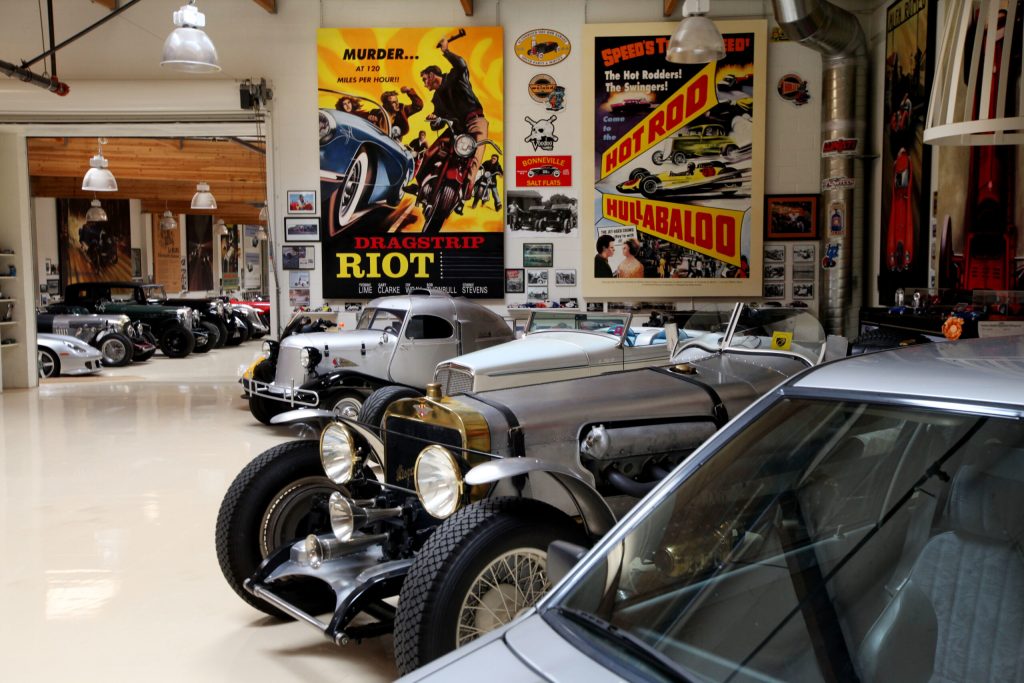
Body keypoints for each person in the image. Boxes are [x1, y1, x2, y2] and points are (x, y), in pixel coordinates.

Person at [418, 36, 488, 201]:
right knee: (429, 153)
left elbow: (461, 65)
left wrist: (446, 51)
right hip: (454, 129)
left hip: (474, 122)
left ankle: (465, 192)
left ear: (432, 74)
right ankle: (421, 184)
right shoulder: (436, 99)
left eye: (424, 79)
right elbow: (437, 123)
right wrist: (435, 119)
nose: (424, 83)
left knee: (475, 157)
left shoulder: (454, 77)